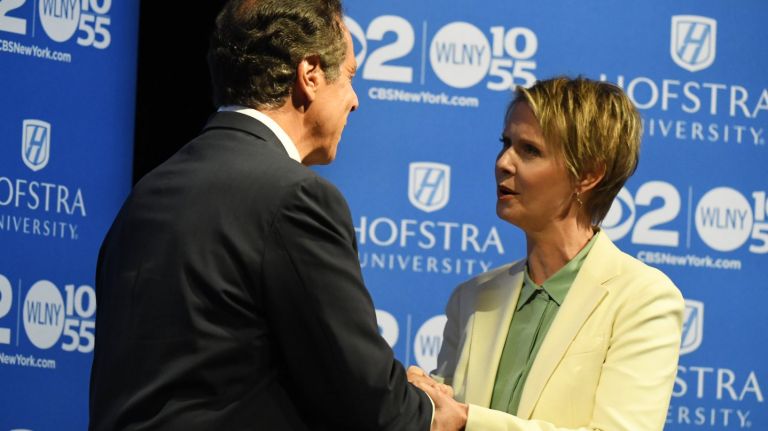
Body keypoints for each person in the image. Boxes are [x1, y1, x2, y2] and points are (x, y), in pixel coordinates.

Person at [88, 0, 452, 429]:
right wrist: (424, 408)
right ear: (311, 74)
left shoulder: (145, 195)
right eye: (351, 76)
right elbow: (366, 396)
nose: (355, 101)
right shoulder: (295, 199)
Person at [408, 76, 685, 430]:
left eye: (529, 150)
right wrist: (425, 401)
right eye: (506, 143)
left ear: (588, 174)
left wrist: (467, 420)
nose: (504, 162)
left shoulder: (644, 300)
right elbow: (445, 418)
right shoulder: (472, 298)